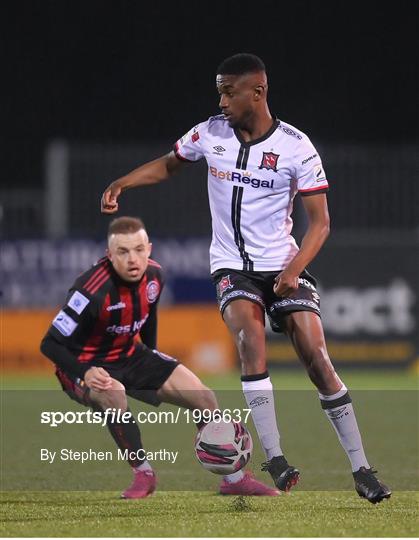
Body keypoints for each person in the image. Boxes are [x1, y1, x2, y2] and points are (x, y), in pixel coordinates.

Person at [100, 54, 391, 504]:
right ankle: (274, 457)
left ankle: (361, 468)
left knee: (317, 357)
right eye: (218, 91)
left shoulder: (297, 147)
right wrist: (123, 183)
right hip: (231, 266)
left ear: (256, 92)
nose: (220, 101)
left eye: (227, 91)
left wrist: (293, 271)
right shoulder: (209, 133)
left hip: (282, 266)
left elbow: (321, 224)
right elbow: (169, 163)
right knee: (248, 338)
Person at [40, 216, 278, 498]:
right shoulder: (90, 291)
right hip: (84, 364)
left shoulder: (155, 276)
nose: (133, 259)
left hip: (130, 354)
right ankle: (144, 474)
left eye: (139, 249)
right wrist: (85, 371)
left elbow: (148, 315)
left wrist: (152, 357)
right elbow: (50, 344)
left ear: (149, 249)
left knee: (203, 397)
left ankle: (234, 478)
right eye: (123, 251)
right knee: (113, 393)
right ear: (109, 255)